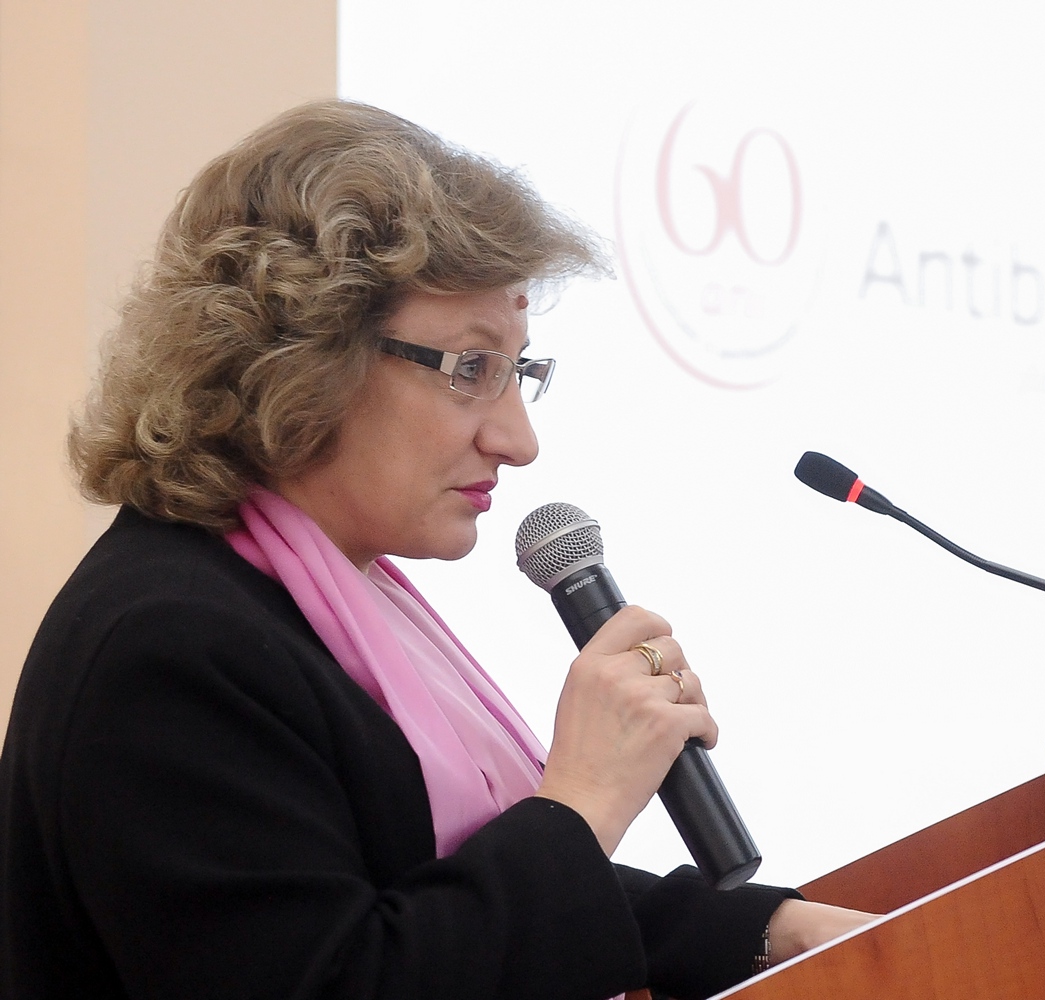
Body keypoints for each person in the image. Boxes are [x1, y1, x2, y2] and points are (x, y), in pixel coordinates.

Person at [0, 100, 870, 1000]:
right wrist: (581, 805)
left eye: (518, 369)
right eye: (471, 368)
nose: (518, 441)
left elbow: (425, 895)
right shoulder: (169, 649)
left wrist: (766, 933)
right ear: (302, 358)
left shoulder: (325, 597)